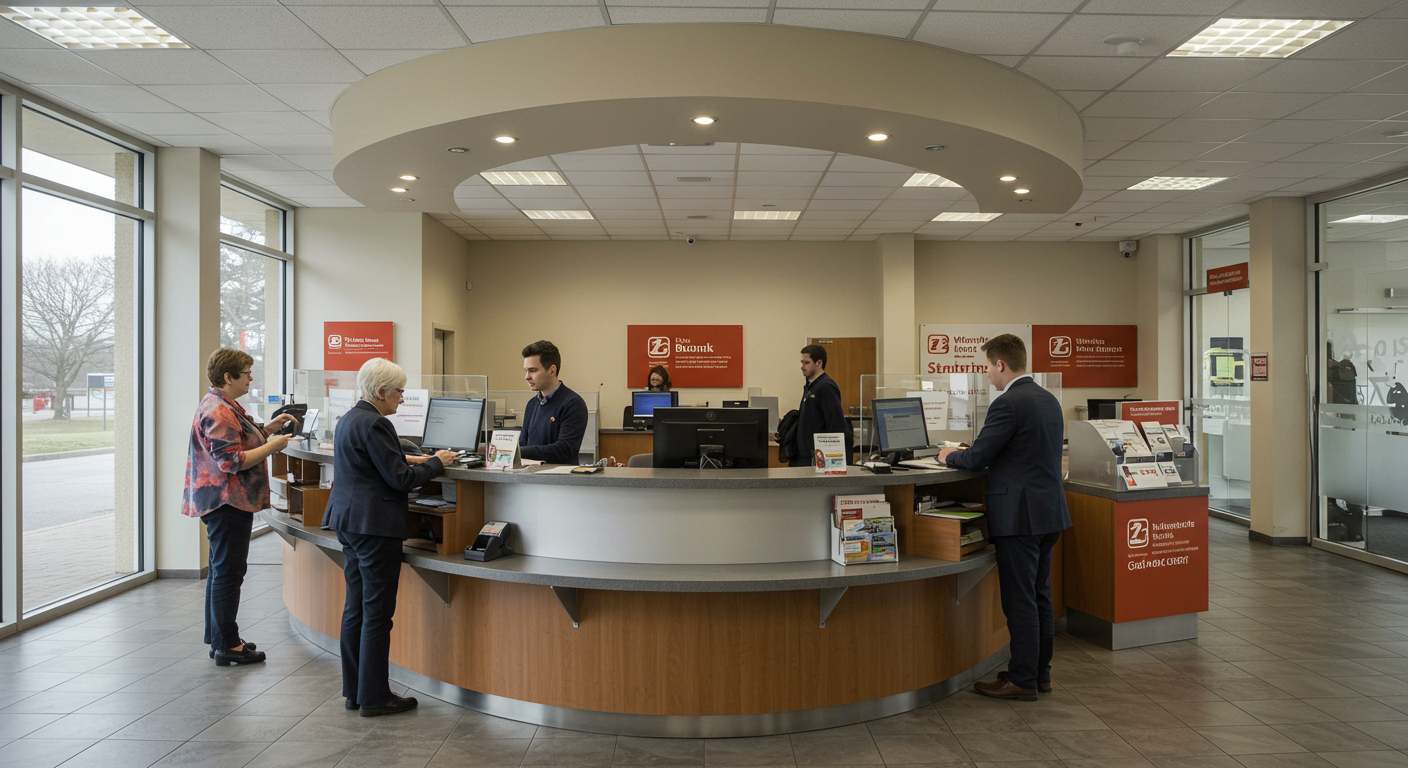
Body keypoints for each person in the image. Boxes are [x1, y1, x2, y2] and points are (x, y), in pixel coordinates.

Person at [938, 334, 1070, 701]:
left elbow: (976, 458)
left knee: (1019, 600)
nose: (987, 374)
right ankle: (1039, 674)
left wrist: (948, 455)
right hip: (1049, 513)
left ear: (1000, 364)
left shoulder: (1008, 403)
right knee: (1039, 595)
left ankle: (1023, 680)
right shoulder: (1047, 399)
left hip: (1020, 518)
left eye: (988, 367)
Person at [322, 357, 457, 717]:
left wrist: (417, 460)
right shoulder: (377, 424)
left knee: (356, 608)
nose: (402, 397)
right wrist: (437, 463)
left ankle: (355, 692)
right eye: (399, 391)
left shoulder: (350, 418)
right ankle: (375, 697)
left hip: (349, 521)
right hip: (374, 526)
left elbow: (373, 463)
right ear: (382, 391)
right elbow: (399, 480)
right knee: (378, 613)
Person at [184, 348, 296, 667]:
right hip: (226, 502)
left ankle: (220, 639)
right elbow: (231, 461)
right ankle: (228, 646)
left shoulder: (223, 404)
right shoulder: (218, 410)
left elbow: (240, 438)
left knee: (222, 571)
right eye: (246, 373)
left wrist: (268, 429)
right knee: (228, 573)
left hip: (225, 501)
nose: (250, 378)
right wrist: (272, 446)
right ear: (228, 377)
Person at [520, 340, 589, 464]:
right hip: (531, 474)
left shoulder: (573, 404)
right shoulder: (531, 404)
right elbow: (523, 444)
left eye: (533, 370)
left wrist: (516, 452)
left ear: (552, 370)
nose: (527, 377)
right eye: (526, 370)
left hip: (559, 476)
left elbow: (564, 449)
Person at [790, 344, 852, 466]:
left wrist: (831, 460)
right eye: (802, 362)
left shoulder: (826, 387)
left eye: (806, 363)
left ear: (819, 363)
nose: (802, 367)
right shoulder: (810, 385)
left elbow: (835, 424)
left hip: (818, 456)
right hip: (805, 455)